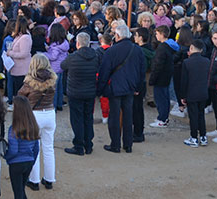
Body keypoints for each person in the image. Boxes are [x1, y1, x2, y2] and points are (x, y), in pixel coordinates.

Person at [97, 23, 145, 153]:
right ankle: (128, 144)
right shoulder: (137, 50)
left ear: (117, 36)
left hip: (115, 88)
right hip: (130, 87)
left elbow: (104, 72)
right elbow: (142, 71)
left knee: (114, 116)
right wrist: (138, 87)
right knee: (128, 116)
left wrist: (100, 89)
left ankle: (115, 144)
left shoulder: (112, 51)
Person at [19, 53, 57, 189]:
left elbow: (20, 96)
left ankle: (34, 180)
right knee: (48, 148)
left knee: (33, 148)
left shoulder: (29, 82)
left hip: (35, 115)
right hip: (50, 113)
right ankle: (49, 179)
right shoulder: (53, 80)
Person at [5, 96, 40, 199]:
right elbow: (36, 148)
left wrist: (7, 158)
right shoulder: (33, 126)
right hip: (28, 162)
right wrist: (32, 160)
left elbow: (13, 150)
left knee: (18, 193)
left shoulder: (13, 129)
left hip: (16, 164)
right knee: (23, 192)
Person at [61, 32, 99, 155]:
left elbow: (63, 66)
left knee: (77, 119)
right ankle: (88, 144)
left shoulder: (73, 57)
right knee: (88, 117)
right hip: (90, 92)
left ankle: (78, 145)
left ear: (77, 43)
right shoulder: (96, 56)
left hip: (75, 92)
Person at [181, 41, 211, 147]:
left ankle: (194, 138)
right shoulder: (207, 61)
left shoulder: (186, 62)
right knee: (201, 115)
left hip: (191, 93)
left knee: (193, 116)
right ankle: (203, 137)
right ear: (202, 50)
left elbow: (184, 81)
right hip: (203, 92)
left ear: (191, 48)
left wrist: (183, 96)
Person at [148, 25, 177, 128]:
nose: (156, 36)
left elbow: (158, 65)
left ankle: (162, 119)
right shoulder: (170, 46)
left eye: (157, 34)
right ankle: (163, 117)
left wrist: (152, 78)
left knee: (161, 99)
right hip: (166, 76)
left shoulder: (162, 48)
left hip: (160, 77)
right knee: (164, 98)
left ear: (162, 34)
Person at [4, 19, 33, 101]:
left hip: (21, 69)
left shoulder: (25, 38)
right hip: (17, 68)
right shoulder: (20, 36)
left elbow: (24, 53)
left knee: (21, 91)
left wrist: (10, 53)